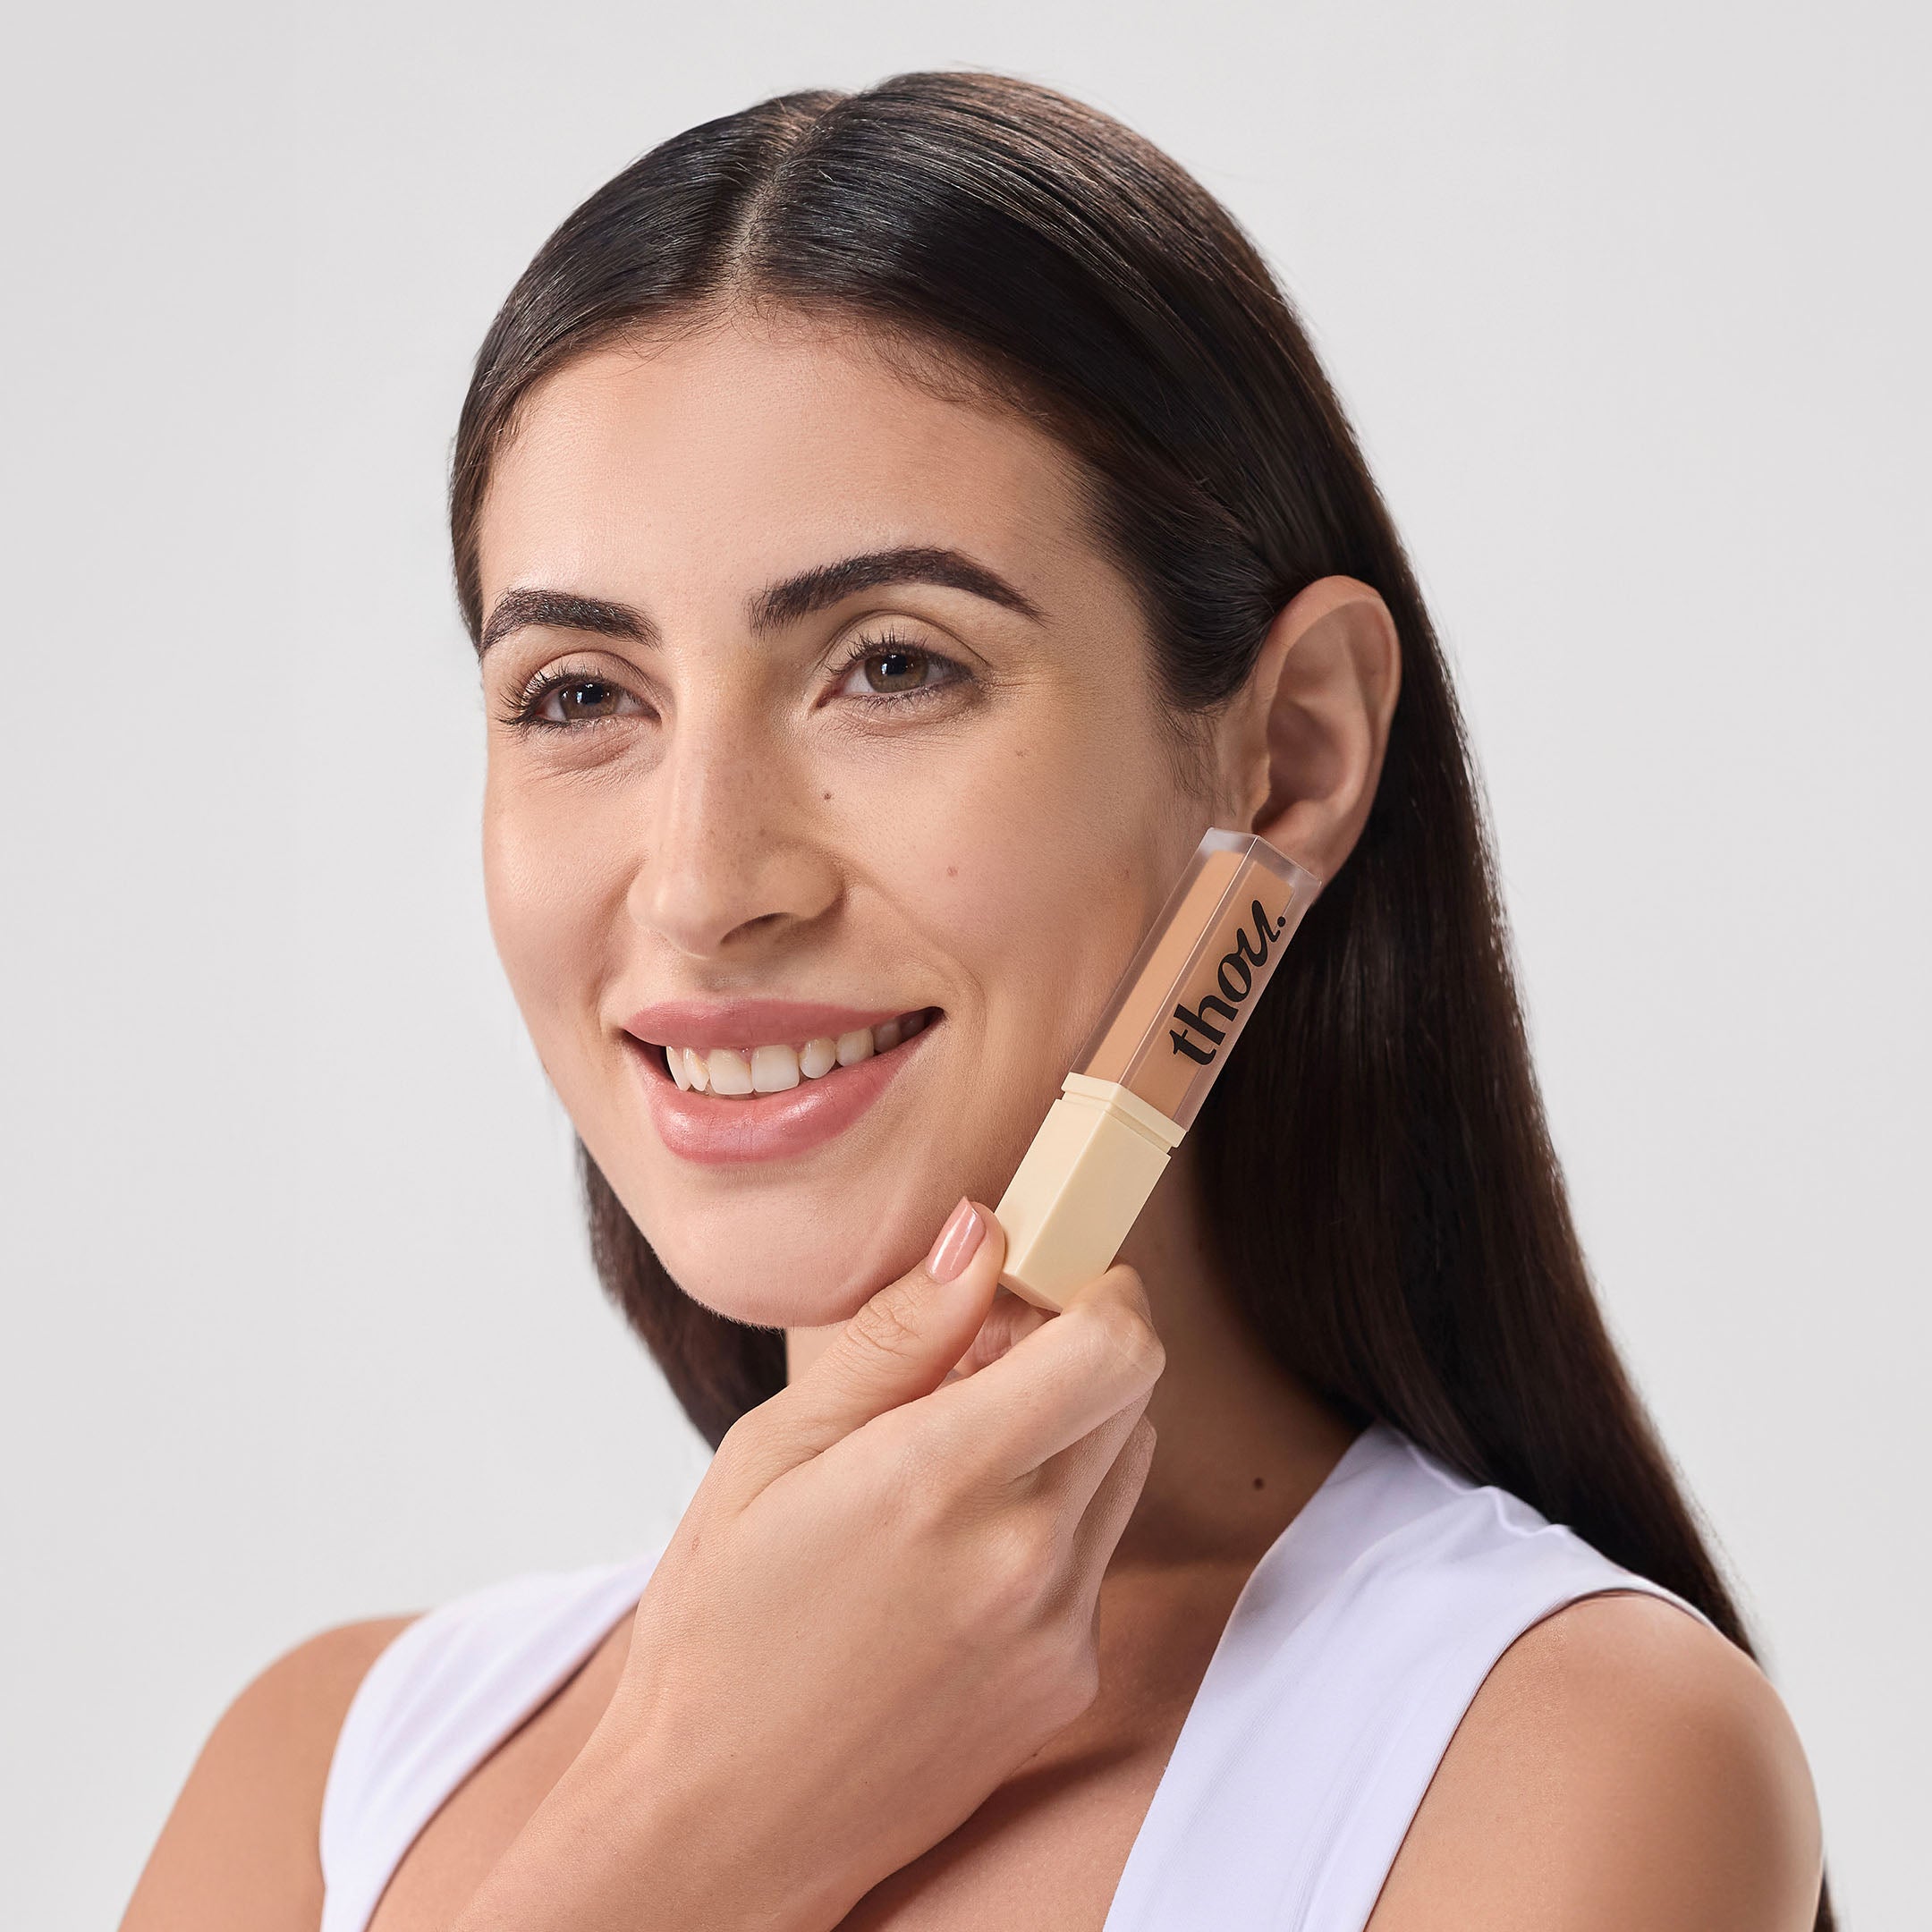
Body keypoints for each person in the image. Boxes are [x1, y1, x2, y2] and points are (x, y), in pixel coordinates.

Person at [122, 72, 1826, 1932]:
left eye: (892, 666)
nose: (702, 883)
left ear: (1292, 758)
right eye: (581, 694)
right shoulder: (320, 1780)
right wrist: (692, 1823)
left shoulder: (1558, 1763)